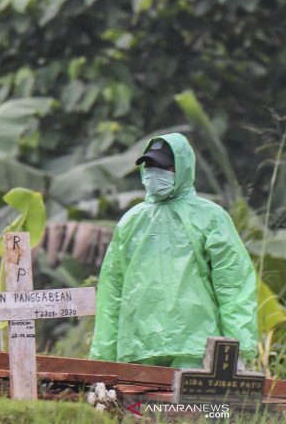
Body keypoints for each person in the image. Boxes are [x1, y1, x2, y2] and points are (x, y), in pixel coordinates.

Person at [90, 133, 258, 368]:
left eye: (162, 166)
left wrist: (236, 347)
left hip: (196, 349)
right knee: (140, 407)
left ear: (182, 167)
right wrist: (104, 358)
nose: (153, 172)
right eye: (149, 165)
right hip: (138, 350)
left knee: (191, 407)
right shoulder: (130, 222)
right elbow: (112, 292)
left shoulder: (210, 218)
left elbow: (233, 285)